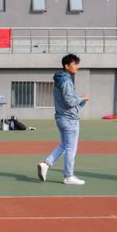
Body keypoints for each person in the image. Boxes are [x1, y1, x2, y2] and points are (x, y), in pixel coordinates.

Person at [38, 54, 89, 185]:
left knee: (64, 145)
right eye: (75, 64)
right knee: (71, 149)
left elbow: (69, 100)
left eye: (77, 64)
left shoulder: (60, 79)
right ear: (66, 66)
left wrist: (80, 101)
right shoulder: (66, 81)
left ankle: (46, 164)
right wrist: (82, 98)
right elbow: (70, 101)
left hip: (61, 118)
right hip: (69, 119)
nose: (77, 67)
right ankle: (68, 176)